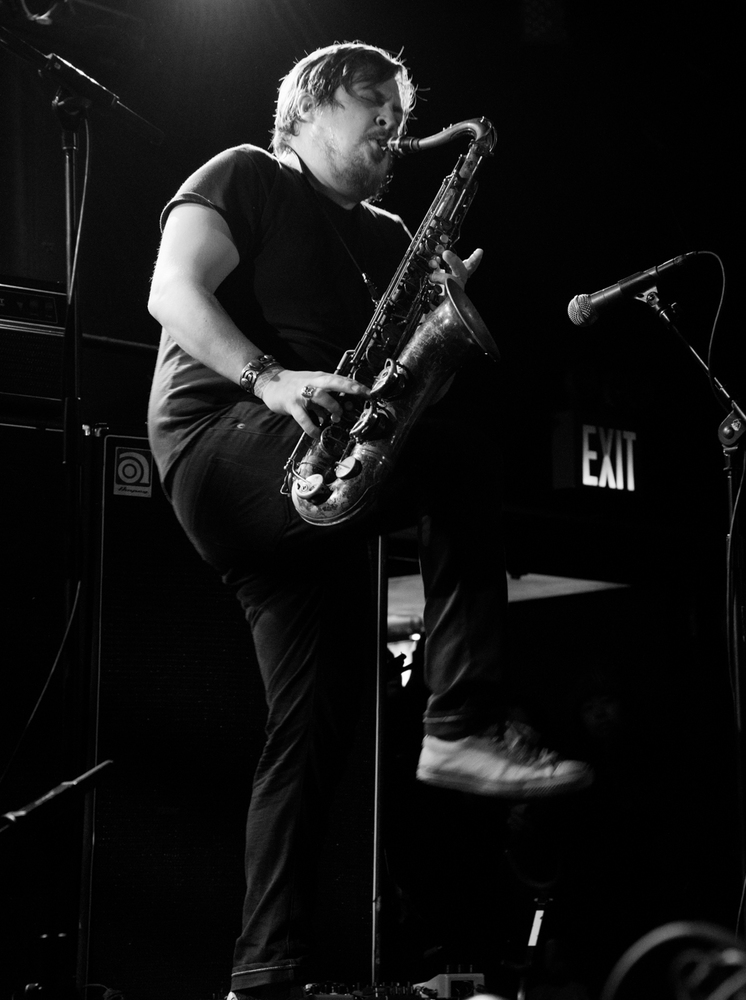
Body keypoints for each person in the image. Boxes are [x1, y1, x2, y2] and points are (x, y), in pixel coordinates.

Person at [145, 40, 592, 1000]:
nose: (396, 124)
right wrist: (272, 379)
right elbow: (169, 292)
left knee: (314, 729)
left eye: (402, 109)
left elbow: (397, 373)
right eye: (372, 104)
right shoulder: (248, 174)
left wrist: (436, 309)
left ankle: (265, 972)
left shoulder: (392, 230)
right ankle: (461, 718)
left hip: (325, 475)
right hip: (225, 442)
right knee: (462, 458)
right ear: (306, 109)